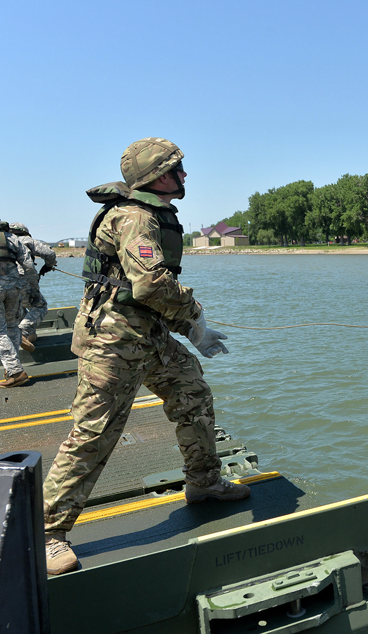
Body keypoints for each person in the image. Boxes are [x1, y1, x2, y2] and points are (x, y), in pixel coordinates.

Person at [42, 138, 249, 576]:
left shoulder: (151, 214)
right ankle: (47, 531)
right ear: (157, 176)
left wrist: (188, 331)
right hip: (113, 344)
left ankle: (204, 481)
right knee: (93, 433)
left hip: (148, 336)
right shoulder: (135, 217)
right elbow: (151, 284)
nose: (185, 175)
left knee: (192, 392)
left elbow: (147, 295)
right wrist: (195, 321)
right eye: (178, 169)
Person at [10, 222, 57, 351]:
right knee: (40, 306)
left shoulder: (5, 242)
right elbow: (49, 254)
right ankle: (22, 331)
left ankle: (26, 336)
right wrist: (48, 265)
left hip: (4, 282)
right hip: (23, 278)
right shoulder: (27, 240)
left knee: (16, 307)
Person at [0, 221, 34, 387]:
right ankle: (11, 369)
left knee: (0, 331)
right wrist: (32, 287)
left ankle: (15, 371)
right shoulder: (13, 238)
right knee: (12, 326)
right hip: (14, 287)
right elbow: (28, 265)